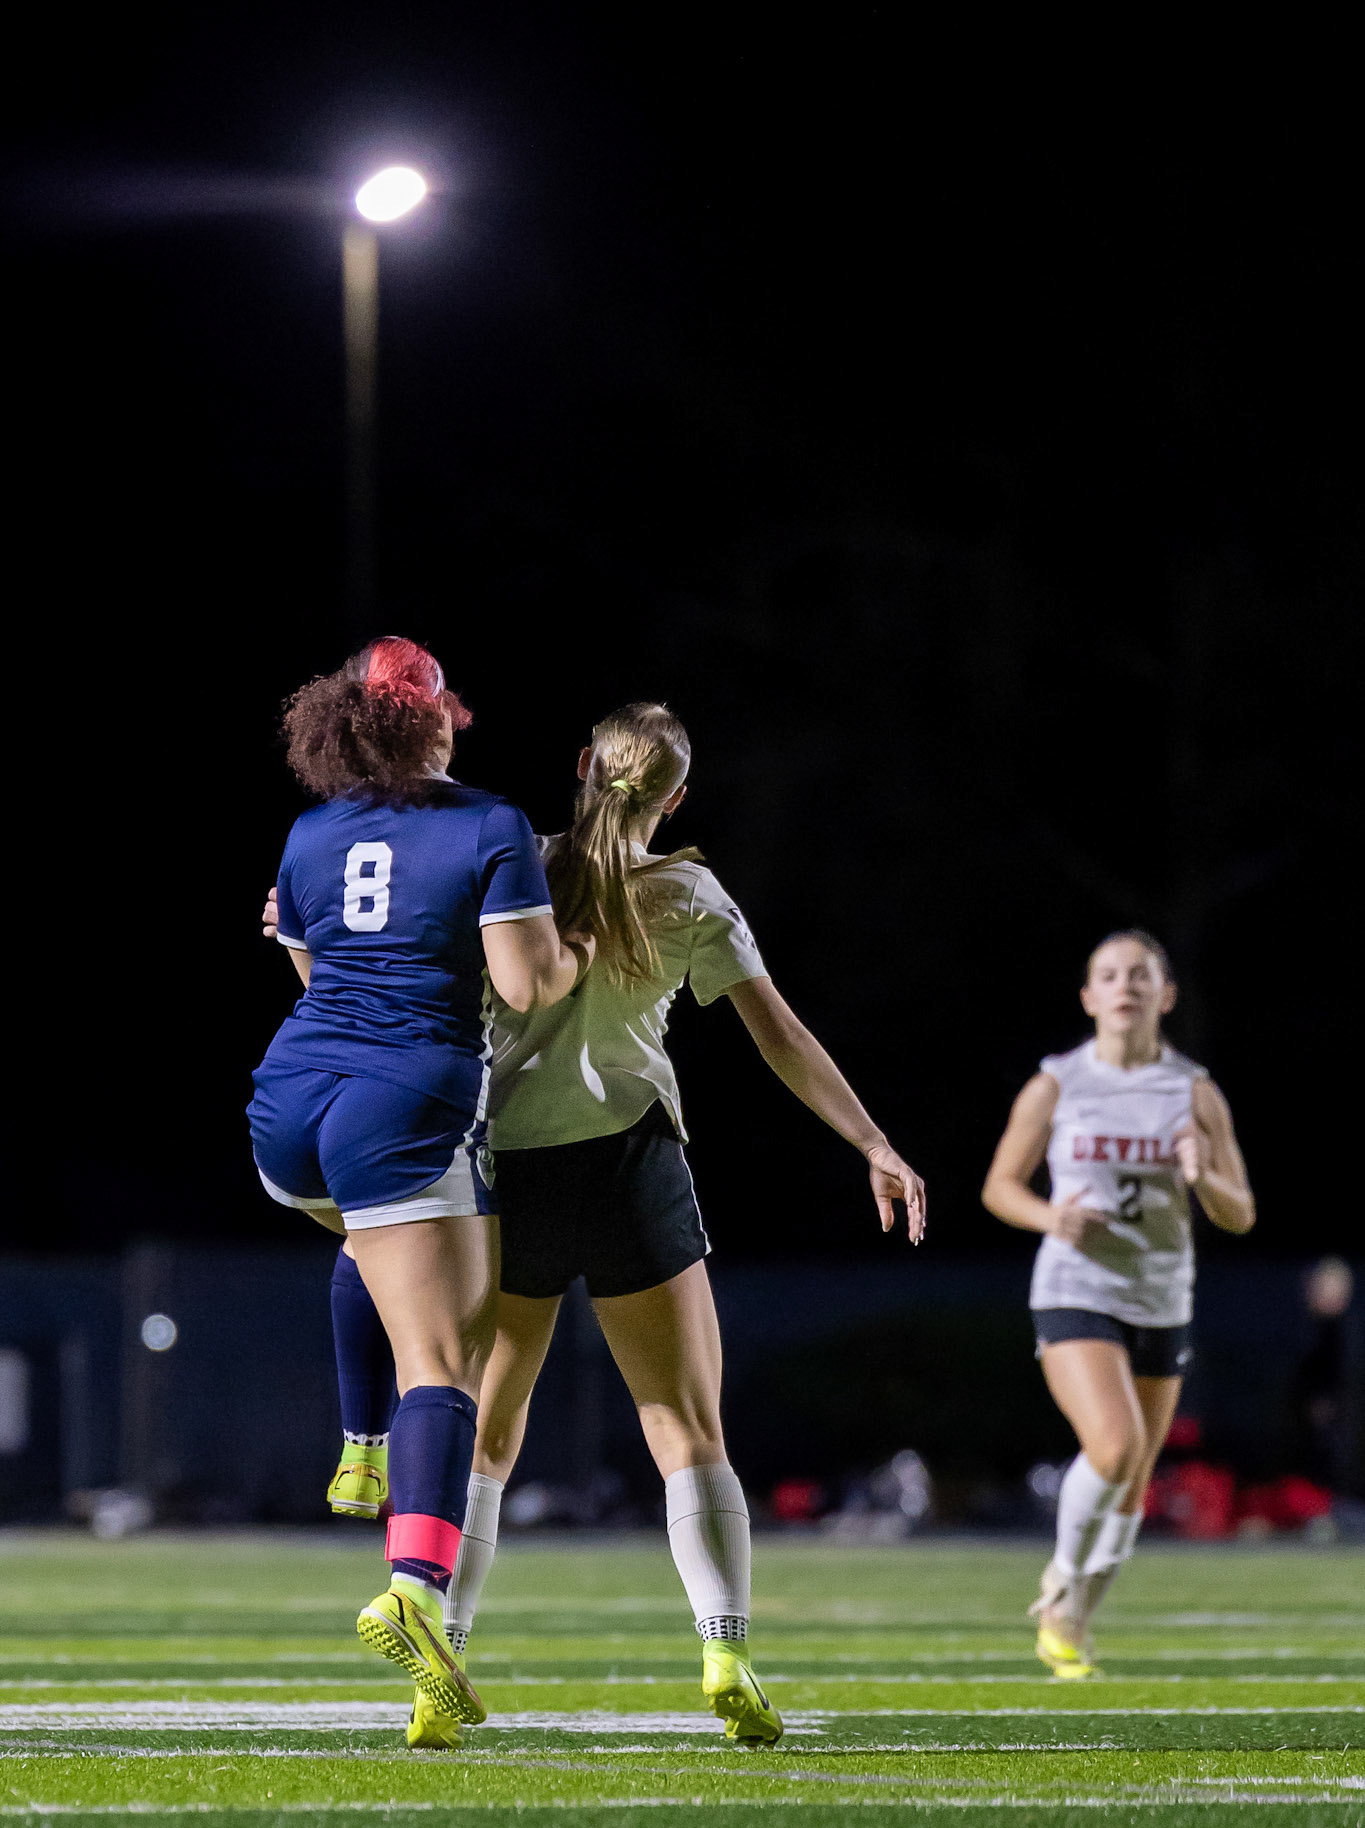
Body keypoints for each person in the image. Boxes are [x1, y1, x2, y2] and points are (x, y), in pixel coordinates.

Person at [265, 701, 925, 1751]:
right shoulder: (690, 891)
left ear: (581, 766)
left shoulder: (507, 859)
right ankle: (725, 1650)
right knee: (686, 1428)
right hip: (630, 1163)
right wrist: (873, 1142)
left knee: (485, 1433)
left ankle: (443, 1660)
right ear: (676, 798)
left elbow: (385, 957)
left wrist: (305, 919)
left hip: (508, 1167)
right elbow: (781, 1036)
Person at [249, 635, 589, 1730]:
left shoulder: (311, 830)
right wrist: (579, 948)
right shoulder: (487, 822)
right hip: (401, 1102)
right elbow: (526, 985)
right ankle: (417, 1590)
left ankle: (360, 1449)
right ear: (434, 719)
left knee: (370, 1240)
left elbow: (314, 967)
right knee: (446, 1360)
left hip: (287, 1110)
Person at [981, 930, 1254, 1677]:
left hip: (1161, 1295)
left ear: (1166, 995)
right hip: (1076, 1286)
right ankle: (1061, 1581)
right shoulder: (1057, 1084)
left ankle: (1072, 1622)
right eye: (1108, 975)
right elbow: (999, 1186)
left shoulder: (1193, 1092)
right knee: (1113, 1444)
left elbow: (1239, 1213)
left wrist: (1203, 1177)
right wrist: (1051, 1217)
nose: (1125, 986)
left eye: (1140, 975)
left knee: (1133, 1481)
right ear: (1088, 997)